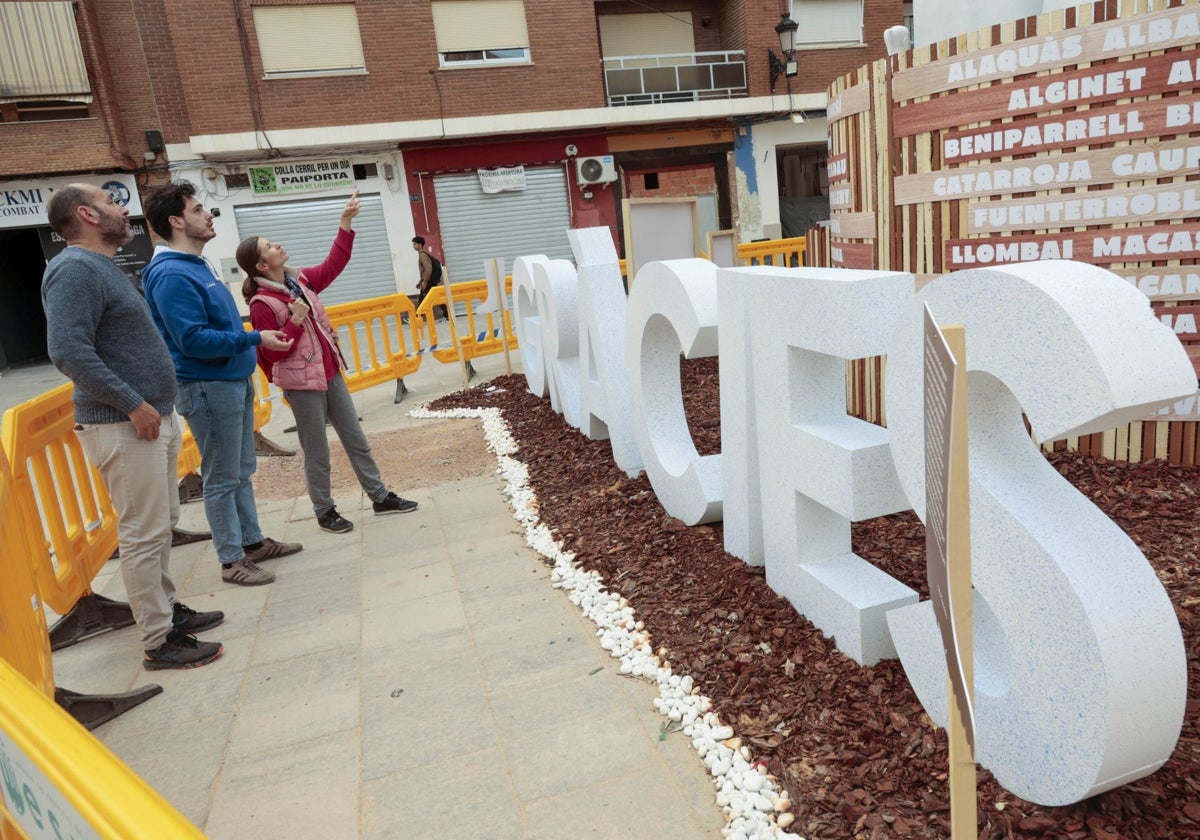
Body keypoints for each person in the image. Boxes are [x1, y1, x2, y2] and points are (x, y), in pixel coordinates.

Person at [41, 183, 223, 670]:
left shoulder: (102, 267)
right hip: (124, 423)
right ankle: (158, 643)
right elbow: (68, 350)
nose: (124, 209)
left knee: (160, 526)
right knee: (143, 533)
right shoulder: (74, 269)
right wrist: (133, 404)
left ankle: (165, 613)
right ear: (87, 215)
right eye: (112, 203)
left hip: (147, 418)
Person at [141, 180, 302, 587]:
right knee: (222, 476)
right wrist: (254, 338)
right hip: (207, 386)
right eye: (197, 210)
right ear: (176, 221)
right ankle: (231, 560)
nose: (208, 214)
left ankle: (252, 542)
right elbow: (191, 339)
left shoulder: (196, 265)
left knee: (240, 470)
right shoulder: (171, 273)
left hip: (228, 380)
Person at [236, 190, 419, 533]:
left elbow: (333, 265)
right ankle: (324, 510)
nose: (277, 245)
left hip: (330, 372)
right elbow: (271, 352)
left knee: (356, 438)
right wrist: (293, 321)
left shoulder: (299, 280)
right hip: (301, 385)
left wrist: (345, 224)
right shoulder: (263, 302)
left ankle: (380, 497)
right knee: (317, 450)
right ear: (262, 265)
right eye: (269, 246)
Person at [412, 235, 449, 321]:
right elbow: (425, 270)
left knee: (422, 299)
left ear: (420, 245)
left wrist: (424, 282)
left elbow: (428, 269)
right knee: (436, 297)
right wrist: (420, 281)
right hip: (430, 280)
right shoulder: (425, 253)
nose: (413, 246)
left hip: (429, 281)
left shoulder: (422, 255)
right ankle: (447, 315)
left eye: (415, 244)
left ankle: (416, 318)